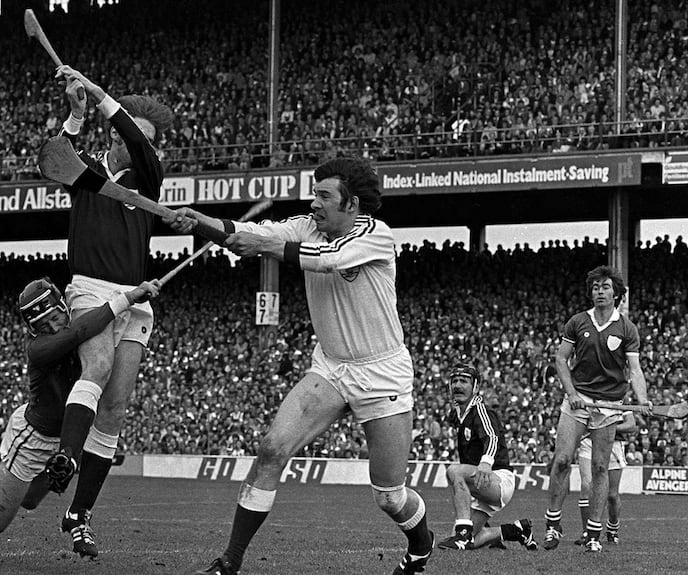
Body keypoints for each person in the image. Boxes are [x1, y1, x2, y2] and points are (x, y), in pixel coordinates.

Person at [168, 156, 435, 575]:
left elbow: (326, 260)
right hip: (330, 368)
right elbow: (251, 233)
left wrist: (265, 246)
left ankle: (422, 541)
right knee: (272, 449)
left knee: (389, 496)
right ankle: (229, 562)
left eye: (324, 195)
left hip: (382, 372)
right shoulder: (306, 226)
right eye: (314, 193)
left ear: (353, 204)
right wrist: (201, 222)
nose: (314, 203)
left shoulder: (376, 235)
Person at [0, 277, 160, 538]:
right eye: (42, 325)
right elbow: (77, 332)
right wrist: (128, 298)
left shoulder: (83, 323)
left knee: (32, 498)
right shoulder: (39, 347)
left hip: (65, 435)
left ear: (63, 306)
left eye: (54, 318)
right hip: (34, 437)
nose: (53, 327)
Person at [43, 64, 174, 558]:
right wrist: (75, 116)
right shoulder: (88, 170)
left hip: (137, 298)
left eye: (152, 139)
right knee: (95, 366)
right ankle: (67, 458)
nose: (147, 145)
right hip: (90, 290)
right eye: (141, 136)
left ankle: (79, 515)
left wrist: (97, 91)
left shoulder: (150, 177)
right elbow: (55, 160)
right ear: (114, 138)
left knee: (115, 406)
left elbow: (139, 144)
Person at [542, 265, 651, 552]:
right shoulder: (577, 322)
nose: (599, 292)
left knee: (601, 467)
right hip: (578, 401)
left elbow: (635, 370)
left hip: (609, 405)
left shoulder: (627, 328)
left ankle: (593, 533)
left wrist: (643, 399)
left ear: (617, 294)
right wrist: (572, 393)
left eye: (605, 287)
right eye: (595, 287)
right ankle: (553, 525)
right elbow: (561, 359)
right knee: (562, 460)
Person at [437, 362, 537, 551]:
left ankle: (463, 535)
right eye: (454, 381)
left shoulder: (480, 410)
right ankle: (516, 530)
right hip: (482, 483)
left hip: (497, 479)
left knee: (454, 472)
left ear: (475, 386)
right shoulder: (460, 412)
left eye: (464, 381)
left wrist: (485, 463)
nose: (458, 385)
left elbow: (492, 437)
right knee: (472, 542)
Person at [571, 411, 638, 546]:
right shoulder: (586, 394)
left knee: (612, 495)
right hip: (589, 442)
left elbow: (631, 425)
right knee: (586, 485)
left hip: (613, 443)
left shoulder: (618, 395)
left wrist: (608, 428)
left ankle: (612, 529)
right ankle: (587, 533)